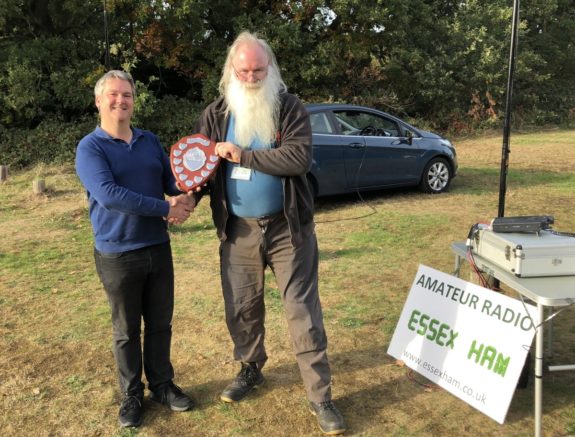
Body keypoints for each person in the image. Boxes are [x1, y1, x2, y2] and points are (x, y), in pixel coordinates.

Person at [194, 32, 346, 435]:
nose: (251, 76)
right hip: (238, 230)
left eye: (258, 69)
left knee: (302, 310)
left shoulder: (289, 108)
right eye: (243, 70)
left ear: (270, 68)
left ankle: (320, 397)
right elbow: (200, 167)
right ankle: (250, 369)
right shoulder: (216, 114)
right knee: (242, 307)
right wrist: (181, 200)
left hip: (286, 227)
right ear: (231, 70)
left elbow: (298, 157)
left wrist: (243, 155)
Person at [75, 70, 195, 428]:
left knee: (160, 324)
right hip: (117, 252)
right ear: (99, 101)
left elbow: (169, 180)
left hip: (157, 246)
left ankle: (161, 384)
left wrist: (187, 193)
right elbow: (110, 195)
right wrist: (165, 208)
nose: (120, 101)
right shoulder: (90, 148)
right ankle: (131, 394)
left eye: (126, 95)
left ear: (133, 100)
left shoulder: (149, 140)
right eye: (113, 95)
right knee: (126, 330)